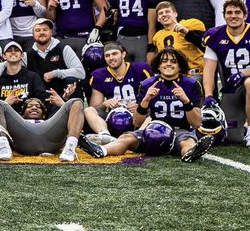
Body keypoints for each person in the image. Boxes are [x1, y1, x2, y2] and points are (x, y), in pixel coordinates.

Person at [80, 48, 212, 163]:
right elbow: (137, 122)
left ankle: (190, 154)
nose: (168, 64)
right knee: (126, 138)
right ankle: (101, 150)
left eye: (173, 61)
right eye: (164, 61)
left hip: (180, 129)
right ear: (158, 66)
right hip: (152, 131)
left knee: (187, 143)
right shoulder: (147, 84)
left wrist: (186, 101)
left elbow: (196, 123)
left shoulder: (191, 84)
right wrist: (145, 101)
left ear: (180, 66)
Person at [202, 0, 250, 147]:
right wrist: (209, 95)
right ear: (224, 16)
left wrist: (244, 73)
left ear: (245, 15)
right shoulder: (214, 36)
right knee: (232, 138)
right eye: (229, 12)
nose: (233, 16)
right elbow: (209, 71)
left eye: (237, 12)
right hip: (232, 88)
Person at [0, 90, 87, 162]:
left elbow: (73, 114)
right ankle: (4, 147)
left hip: (50, 136)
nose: (34, 107)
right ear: (22, 114)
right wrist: (5, 104)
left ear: (44, 114)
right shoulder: (17, 120)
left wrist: (62, 103)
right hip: (22, 137)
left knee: (77, 101)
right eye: (29, 106)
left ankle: (70, 148)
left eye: (38, 106)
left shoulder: (50, 119)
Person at [83, 41, 151, 138]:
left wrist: (141, 108)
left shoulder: (141, 69)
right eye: (107, 55)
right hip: (114, 117)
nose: (111, 58)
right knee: (89, 110)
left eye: (114, 54)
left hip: (139, 115)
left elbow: (155, 99)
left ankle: (138, 136)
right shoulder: (99, 75)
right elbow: (95, 107)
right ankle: (105, 135)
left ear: (123, 54)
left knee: (153, 114)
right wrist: (105, 104)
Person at [26, 17, 85, 101]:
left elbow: (80, 73)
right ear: (33, 34)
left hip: (64, 94)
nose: (41, 32)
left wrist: (55, 73)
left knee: (72, 80)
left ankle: (74, 110)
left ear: (51, 32)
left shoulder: (64, 48)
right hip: (39, 99)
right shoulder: (27, 54)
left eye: (45, 29)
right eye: (38, 30)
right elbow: (8, 65)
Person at [149, 0, 206, 76]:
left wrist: (187, 32)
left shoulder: (190, 24)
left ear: (175, 14)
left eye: (167, 11)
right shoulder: (157, 36)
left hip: (194, 72)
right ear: (158, 19)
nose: (164, 15)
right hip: (173, 74)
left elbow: (205, 47)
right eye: (160, 13)